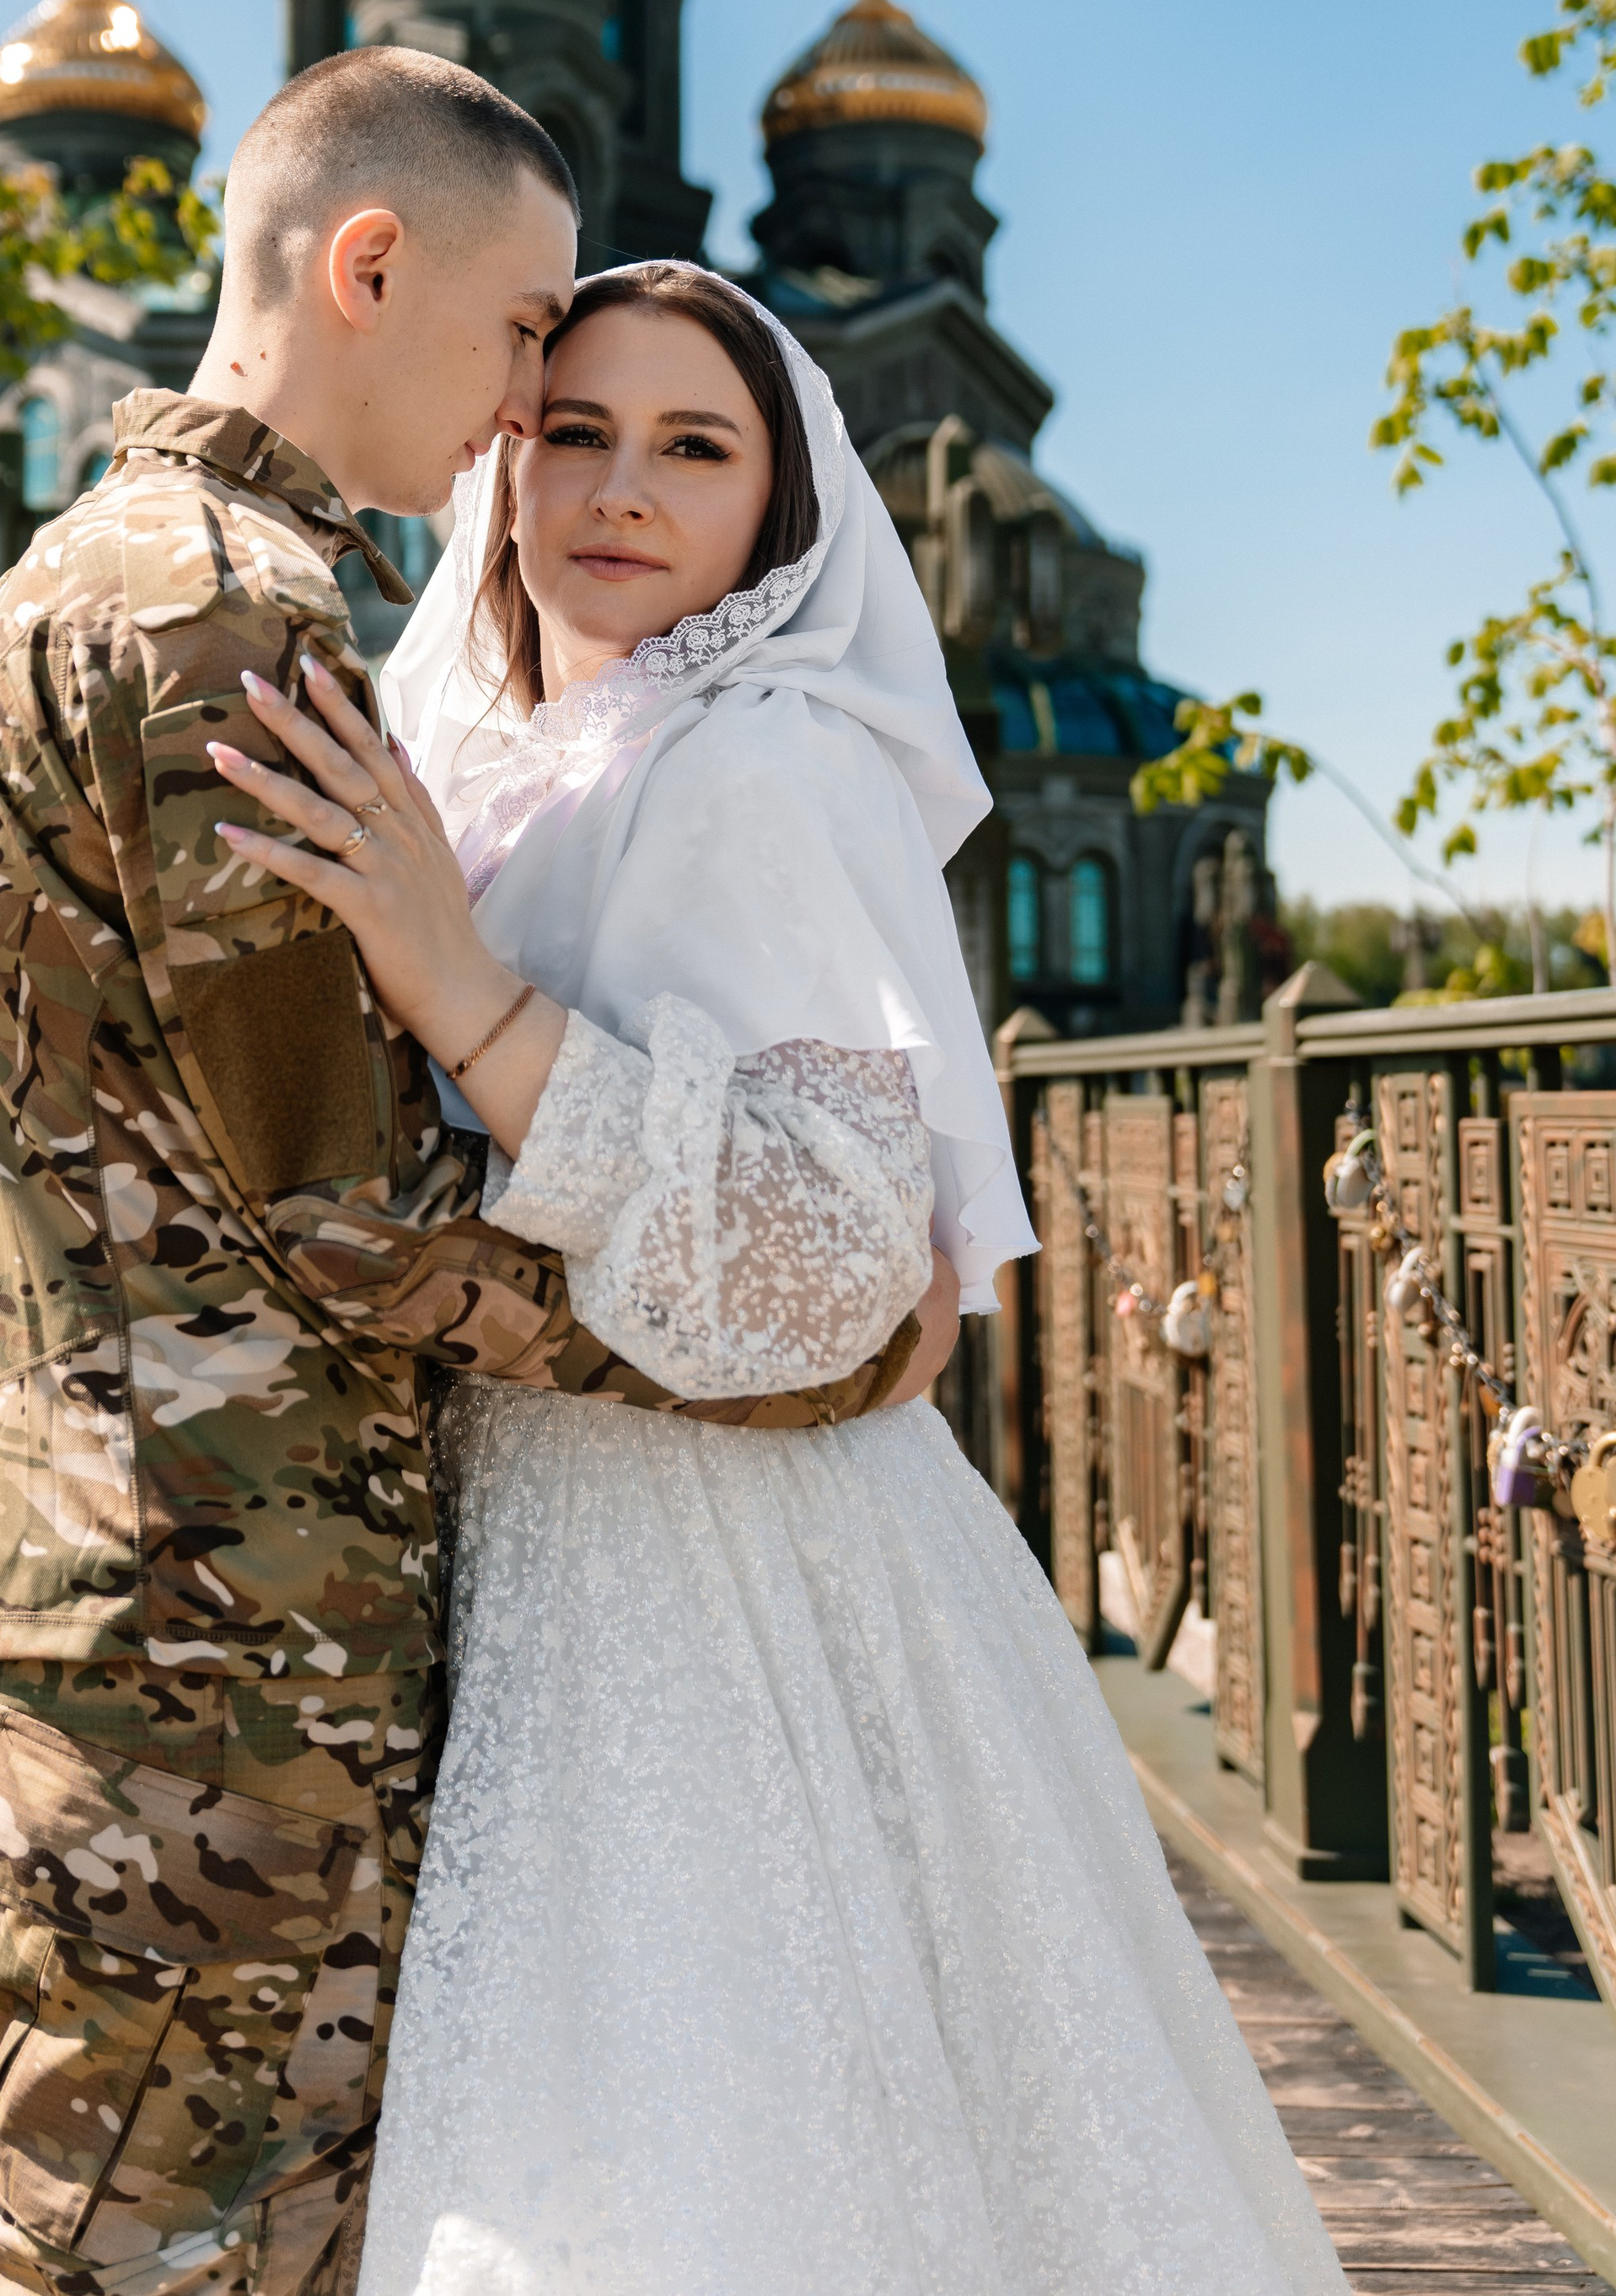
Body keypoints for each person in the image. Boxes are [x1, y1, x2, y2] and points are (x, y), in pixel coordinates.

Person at [214, 261, 1351, 2296]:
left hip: (713, 1551)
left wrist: (463, 995)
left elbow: (831, 1266)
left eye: (692, 446)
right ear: (503, 459)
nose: (622, 487)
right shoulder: (490, 754)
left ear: (777, 508)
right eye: (575, 431)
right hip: (508, 1511)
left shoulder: (763, 757)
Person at [0, 59, 936, 2296]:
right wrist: (791, 1356)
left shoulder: (111, 565)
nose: (525, 410)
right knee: (159, 2246)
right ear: (369, 267)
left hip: (143, 1583)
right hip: (208, 1625)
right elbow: (348, 1206)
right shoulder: (223, 620)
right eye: (521, 342)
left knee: (127, 2223)